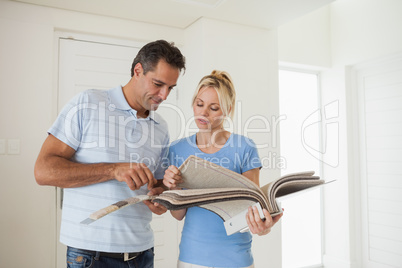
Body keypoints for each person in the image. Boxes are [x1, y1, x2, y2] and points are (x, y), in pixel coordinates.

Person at [34, 39, 186, 268]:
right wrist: (113, 170)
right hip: (90, 255)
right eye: (158, 84)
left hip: (142, 254)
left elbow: (156, 183)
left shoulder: (161, 127)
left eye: (170, 88)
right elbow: (43, 171)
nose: (164, 95)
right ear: (138, 71)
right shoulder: (87, 103)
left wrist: (160, 194)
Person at [163, 70, 283, 268]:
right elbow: (178, 215)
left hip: (236, 260)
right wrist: (174, 188)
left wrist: (263, 227)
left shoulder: (244, 147)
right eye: (199, 104)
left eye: (214, 108)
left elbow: (254, 208)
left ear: (227, 109)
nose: (203, 113)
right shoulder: (177, 149)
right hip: (191, 259)